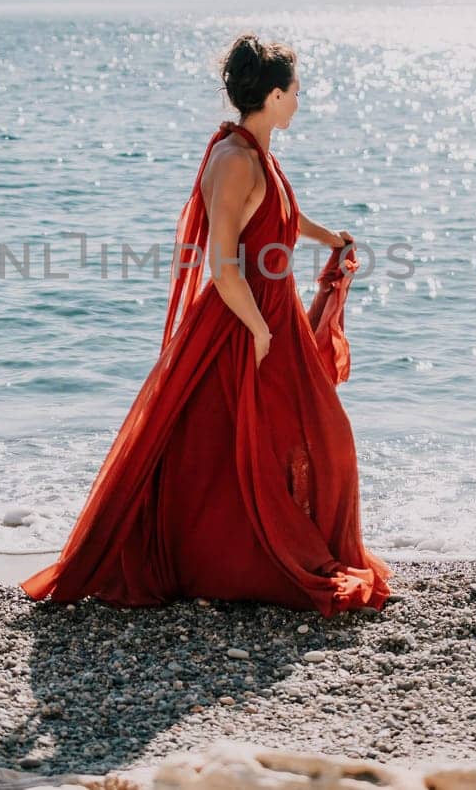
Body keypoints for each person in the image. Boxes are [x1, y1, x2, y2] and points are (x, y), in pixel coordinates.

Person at [20, 33, 392, 616]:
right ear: (272, 95)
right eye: (295, 91)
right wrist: (260, 331)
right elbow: (221, 263)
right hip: (242, 322)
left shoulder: (257, 150)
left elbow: (281, 218)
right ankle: (229, 561)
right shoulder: (235, 159)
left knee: (296, 438)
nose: (300, 100)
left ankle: (250, 552)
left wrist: (329, 236)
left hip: (273, 317)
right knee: (242, 442)